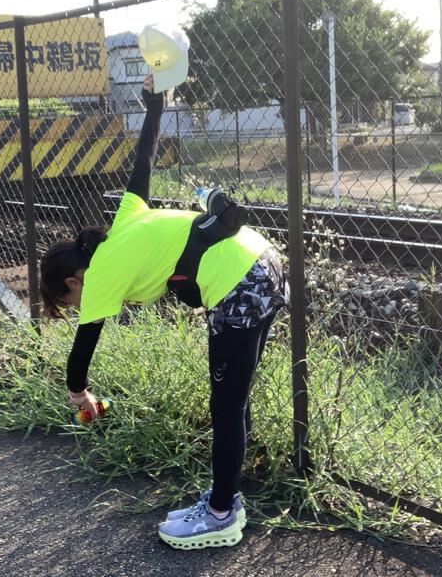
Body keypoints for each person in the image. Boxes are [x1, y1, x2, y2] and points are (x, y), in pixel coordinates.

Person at [39, 73, 288, 550]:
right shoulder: (124, 219)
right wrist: (155, 104)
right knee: (234, 398)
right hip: (261, 260)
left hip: (237, 282)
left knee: (227, 404)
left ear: (74, 282)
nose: (77, 307)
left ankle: (219, 516)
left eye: (69, 302)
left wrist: (78, 395)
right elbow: (143, 158)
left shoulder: (100, 274)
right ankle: (225, 497)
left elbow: (82, 349)